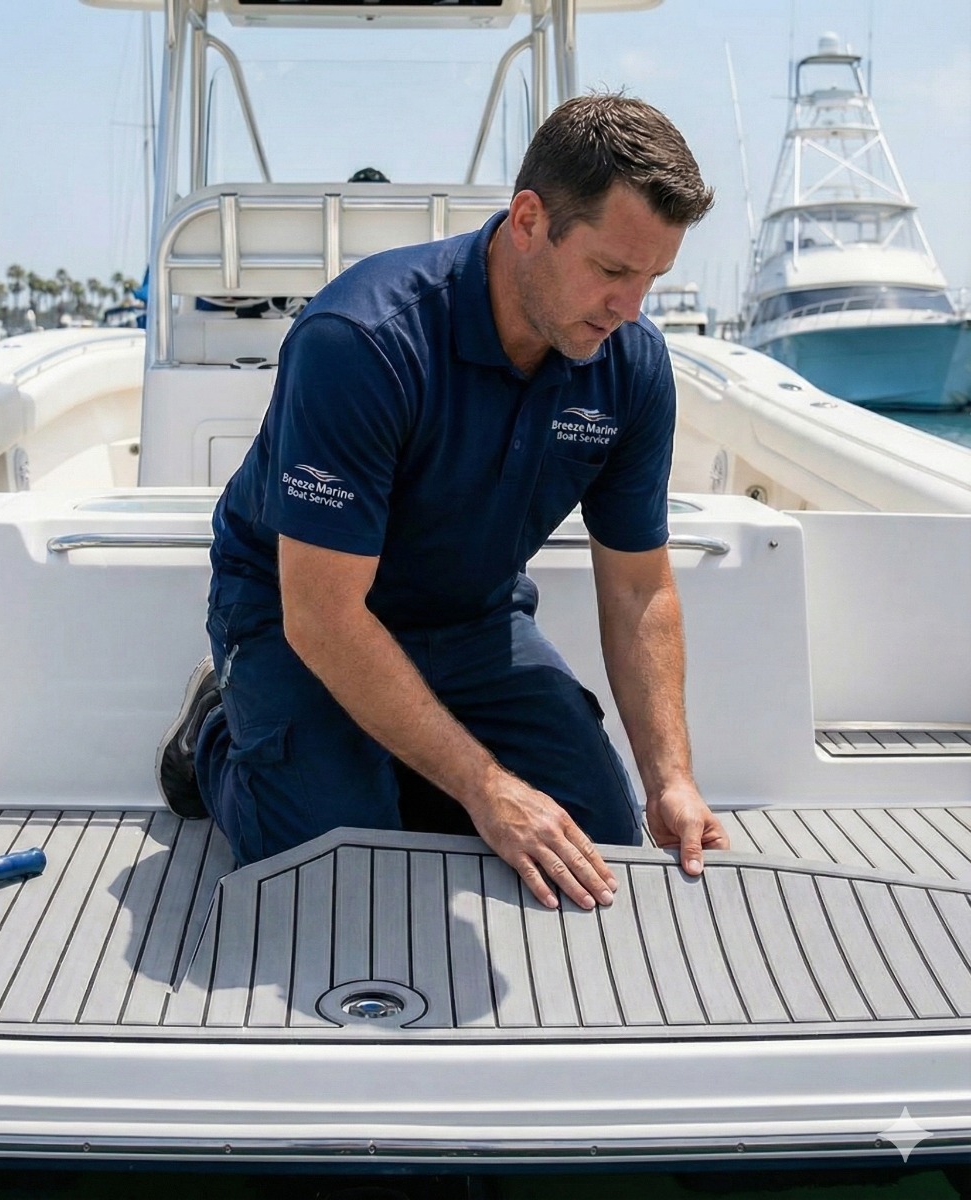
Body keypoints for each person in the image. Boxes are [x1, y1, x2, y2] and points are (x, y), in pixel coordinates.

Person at [158, 92, 731, 911]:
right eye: (611, 270)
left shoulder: (630, 363)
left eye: (653, 278)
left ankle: (382, 762)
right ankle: (216, 728)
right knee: (336, 867)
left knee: (601, 844)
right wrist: (488, 789)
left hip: (473, 620)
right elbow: (323, 615)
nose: (631, 309)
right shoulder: (361, 343)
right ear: (529, 220)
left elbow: (640, 587)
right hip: (300, 615)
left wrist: (670, 778)